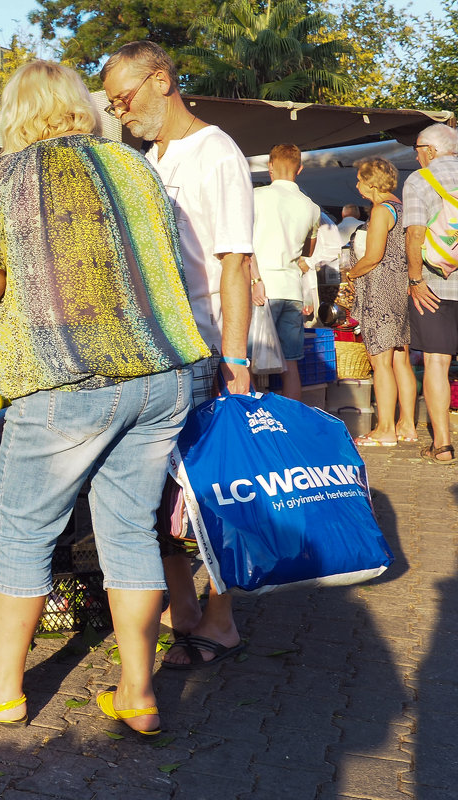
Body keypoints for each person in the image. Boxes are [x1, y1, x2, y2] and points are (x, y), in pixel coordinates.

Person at [0, 60, 209, 736]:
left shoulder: (16, 173)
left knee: (23, 533)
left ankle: (1, 688)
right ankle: (138, 691)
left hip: (70, 380)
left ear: (17, 112)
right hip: (161, 374)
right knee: (130, 532)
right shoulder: (134, 166)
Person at [100, 41, 253, 669]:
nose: (120, 112)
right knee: (159, 493)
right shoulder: (145, 157)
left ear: (161, 81)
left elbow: (235, 263)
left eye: (124, 98)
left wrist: (236, 359)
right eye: (112, 104)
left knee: (212, 491)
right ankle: (183, 609)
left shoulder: (216, 153)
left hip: (203, 349)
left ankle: (221, 621)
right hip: (154, 350)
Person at [343, 157, 416, 446]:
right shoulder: (401, 207)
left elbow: (373, 256)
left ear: (372, 183)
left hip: (381, 291)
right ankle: (407, 425)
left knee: (380, 362)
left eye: (360, 179)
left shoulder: (381, 211)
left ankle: (385, 428)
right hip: (401, 289)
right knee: (401, 360)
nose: (357, 184)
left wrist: (351, 273)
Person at [403, 123, 458, 464]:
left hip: (436, 285)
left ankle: (443, 446)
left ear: (432, 149)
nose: (417, 153)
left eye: (418, 147)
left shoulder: (420, 179)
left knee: (437, 362)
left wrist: (415, 280)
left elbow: (415, 234)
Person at [252, 144, 320, 402]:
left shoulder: (256, 197)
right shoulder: (311, 206)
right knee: (290, 363)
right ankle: (291, 420)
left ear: (269, 166)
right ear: (299, 169)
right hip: (291, 290)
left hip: (260, 288)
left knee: (250, 362)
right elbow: (309, 250)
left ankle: (253, 421)